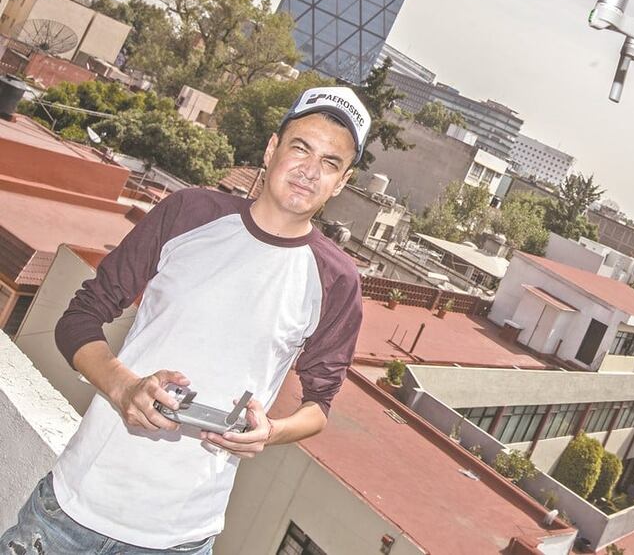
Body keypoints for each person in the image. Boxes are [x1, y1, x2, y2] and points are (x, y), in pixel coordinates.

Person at [1, 87, 371, 553]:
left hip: (182, 537)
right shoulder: (189, 212)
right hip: (75, 509)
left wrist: (271, 432)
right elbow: (79, 317)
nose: (310, 170)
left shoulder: (337, 280)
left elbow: (319, 406)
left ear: (340, 182)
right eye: (300, 148)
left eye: (330, 163)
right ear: (271, 148)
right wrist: (123, 386)